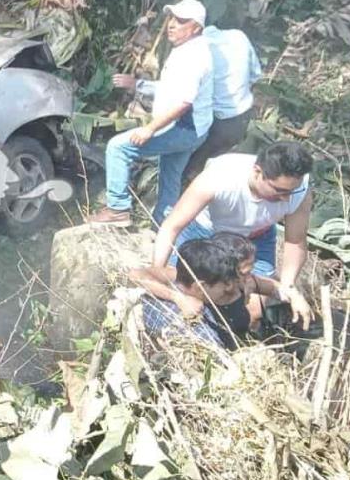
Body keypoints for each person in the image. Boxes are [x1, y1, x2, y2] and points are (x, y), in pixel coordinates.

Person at [89, 0, 214, 226]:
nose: (172, 24)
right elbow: (171, 90)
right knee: (170, 177)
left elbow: (183, 103)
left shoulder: (194, 57)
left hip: (183, 128)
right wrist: (137, 84)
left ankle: (117, 209)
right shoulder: (187, 49)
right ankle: (163, 225)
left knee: (118, 147)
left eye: (181, 20)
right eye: (172, 18)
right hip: (193, 130)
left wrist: (149, 129)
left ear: (196, 28)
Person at [152, 141, 313, 293]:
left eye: (291, 191)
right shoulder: (220, 176)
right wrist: (156, 272)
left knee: (254, 300)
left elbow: (295, 241)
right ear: (257, 172)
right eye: (279, 190)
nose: (286, 198)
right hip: (205, 233)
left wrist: (287, 287)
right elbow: (172, 226)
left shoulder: (300, 189)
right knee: (187, 287)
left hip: (255, 239)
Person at [131, 233, 313, 349]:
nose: (247, 278)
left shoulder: (241, 282)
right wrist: (177, 298)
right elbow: (136, 274)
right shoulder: (192, 276)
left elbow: (274, 287)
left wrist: (294, 296)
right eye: (243, 273)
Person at [182, 25, 262, 185]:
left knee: (187, 170)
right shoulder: (239, 36)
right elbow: (256, 75)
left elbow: (185, 93)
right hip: (242, 119)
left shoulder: (197, 48)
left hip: (215, 125)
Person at [133, 238, 242, 349]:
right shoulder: (204, 338)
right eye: (226, 284)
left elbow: (137, 273)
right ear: (201, 286)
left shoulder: (179, 279)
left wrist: (176, 297)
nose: (229, 289)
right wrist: (178, 298)